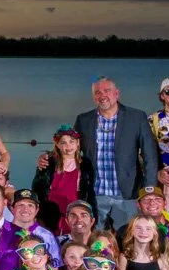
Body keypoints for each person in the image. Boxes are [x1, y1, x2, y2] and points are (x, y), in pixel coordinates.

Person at [63, 77, 154, 230]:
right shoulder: (83, 120)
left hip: (127, 193)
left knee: (128, 238)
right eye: (98, 92)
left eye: (107, 91)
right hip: (95, 193)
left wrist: (149, 190)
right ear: (93, 97)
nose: (102, 95)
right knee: (95, 241)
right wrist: (47, 158)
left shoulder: (136, 117)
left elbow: (149, 155)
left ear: (117, 94)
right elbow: (69, 149)